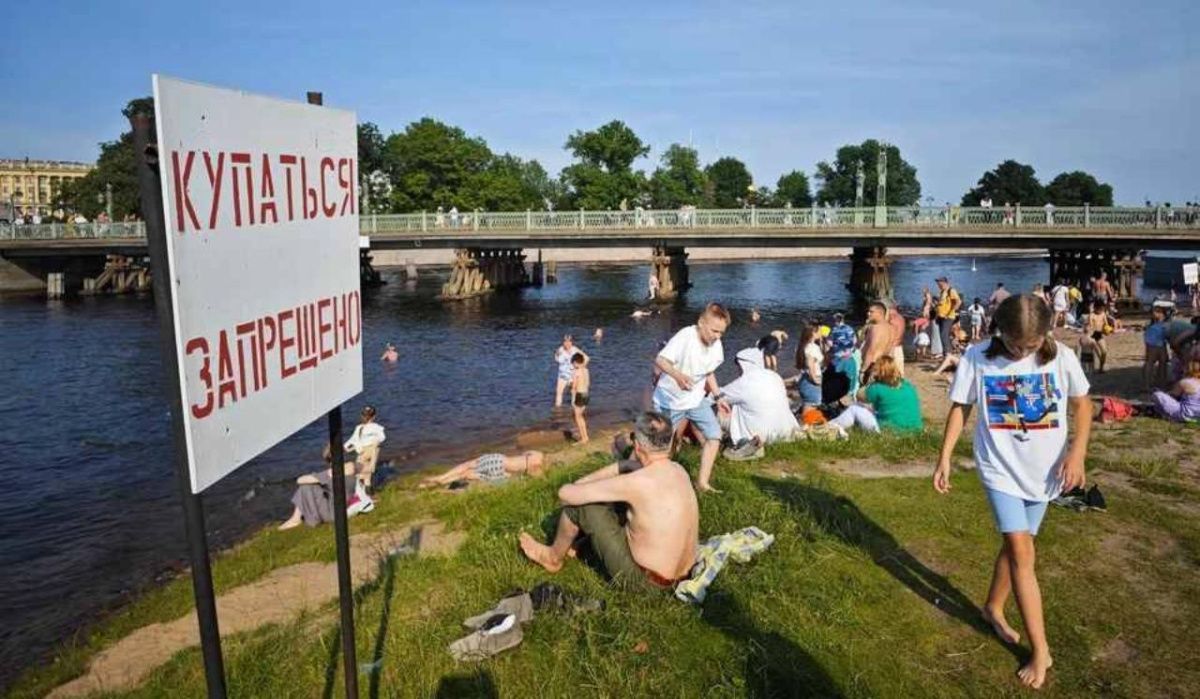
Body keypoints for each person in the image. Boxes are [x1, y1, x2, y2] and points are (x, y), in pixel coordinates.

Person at [934, 294, 1092, 690]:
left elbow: (1083, 405)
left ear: (1046, 333)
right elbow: (960, 407)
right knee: (1023, 553)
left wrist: (1078, 454)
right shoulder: (976, 357)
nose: (1023, 351)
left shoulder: (1062, 357)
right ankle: (1042, 649)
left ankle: (992, 607)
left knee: (1016, 548)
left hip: (1045, 474)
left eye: (1032, 345)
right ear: (998, 330)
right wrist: (945, 457)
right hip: (999, 470)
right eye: (1016, 344)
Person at [518, 412, 699, 591]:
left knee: (580, 507)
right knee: (622, 505)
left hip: (647, 581)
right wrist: (628, 466)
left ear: (637, 446)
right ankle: (579, 545)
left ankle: (552, 557)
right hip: (683, 575)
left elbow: (566, 494)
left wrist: (620, 466)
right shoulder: (679, 470)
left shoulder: (637, 482)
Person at [653, 303, 730, 492]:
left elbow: (709, 372)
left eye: (721, 332)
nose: (717, 337)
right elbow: (660, 360)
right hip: (670, 401)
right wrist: (677, 376)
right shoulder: (685, 337)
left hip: (695, 400)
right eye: (714, 331)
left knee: (714, 436)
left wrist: (719, 396)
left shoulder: (715, 344)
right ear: (701, 323)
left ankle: (702, 483)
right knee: (661, 447)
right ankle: (649, 479)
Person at [721, 346, 800, 445]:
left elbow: (717, 396)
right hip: (786, 433)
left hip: (760, 436)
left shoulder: (744, 382)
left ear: (743, 365)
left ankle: (710, 443)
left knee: (718, 409)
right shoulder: (775, 376)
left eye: (738, 366)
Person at [279, 447, 371, 530]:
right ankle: (297, 518)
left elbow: (299, 480)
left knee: (305, 487)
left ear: (328, 460)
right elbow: (368, 468)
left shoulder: (329, 473)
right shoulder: (351, 466)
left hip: (333, 514)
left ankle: (296, 519)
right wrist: (364, 480)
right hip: (346, 506)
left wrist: (317, 478)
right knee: (319, 488)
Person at [420, 451, 546, 488]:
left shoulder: (538, 454)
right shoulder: (538, 466)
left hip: (499, 461)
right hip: (503, 474)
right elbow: (531, 475)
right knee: (467, 474)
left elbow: (524, 452)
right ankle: (442, 481)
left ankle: (440, 478)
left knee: (467, 465)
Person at [344, 406, 385, 488]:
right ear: (374, 416)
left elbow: (353, 439)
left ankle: (362, 493)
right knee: (367, 474)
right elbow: (382, 437)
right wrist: (375, 442)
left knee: (359, 472)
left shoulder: (359, 428)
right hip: (373, 451)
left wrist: (345, 446)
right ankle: (368, 493)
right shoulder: (376, 426)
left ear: (362, 416)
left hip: (363, 452)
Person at [793, 322, 824, 409]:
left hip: (804, 379)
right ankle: (804, 422)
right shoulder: (813, 348)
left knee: (807, 405)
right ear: (813, 333)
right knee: (811, 407)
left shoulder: (802, 346)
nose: (821, 332)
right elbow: (810, 364)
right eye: (819, 331)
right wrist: (815, 380)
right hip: (811, 381)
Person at [858, 302, 891, 383]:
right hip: (883, 364)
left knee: (865, 393)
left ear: (880, 313)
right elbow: (890, 349)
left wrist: (863, 370)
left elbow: (871, 351)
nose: (868, 313)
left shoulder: (875, 329)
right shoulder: (890, 327)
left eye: (871, 312)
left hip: (872, 365)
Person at [827, 312, 858, 393]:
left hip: (838, 357)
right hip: (849, 357)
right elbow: (855, 341)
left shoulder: (834, 330)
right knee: (849, 379)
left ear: (836, 320)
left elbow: (829, 344)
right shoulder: (850, 328)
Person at [1077, 301, 1112, 373]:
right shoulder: (1092, 315)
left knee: (1104, 351)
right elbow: (1090, 326)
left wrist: (1107, 330)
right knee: (1095, 351)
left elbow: (1106, 324)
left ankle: (1101, 367)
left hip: (1099, 334)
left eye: (1102, 309)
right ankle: (1100, 367)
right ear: (1096, 308)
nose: (1101, 310)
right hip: (1092, 334)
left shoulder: (1103, 314)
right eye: (1100, 309)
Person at [934, 276, 962, 361]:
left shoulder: (951, 290)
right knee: (942, 335)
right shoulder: (942, 291)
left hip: (948, 317)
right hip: (941, 317)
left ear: (945, 282)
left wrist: (950, 312)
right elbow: (941, 305)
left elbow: (958, 302)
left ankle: (948, 355)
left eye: (939, 283)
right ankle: (945, 355)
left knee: (944, 335)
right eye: (938, 283)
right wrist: (937, 315)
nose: (938, 285)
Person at [553, 335, 585, 407]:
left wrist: (580, 369)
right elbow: (556, 359)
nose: (567, 343)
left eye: (569, 341)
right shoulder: (560, 350)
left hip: (573, 375)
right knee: (559, 393)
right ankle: (557, 410)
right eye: (565, 341)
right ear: (563, 342)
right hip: (562, 376)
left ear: (572, 342)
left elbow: (585, 358)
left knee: (573, 393)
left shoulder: (575, 349)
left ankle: (575, 408)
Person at [571, 353, 591, 444]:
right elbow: (588, 384)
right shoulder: (586, 370)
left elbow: (574, 387)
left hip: (579, 395)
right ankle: (585, 436)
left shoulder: (576, 372)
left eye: (573, 363)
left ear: (575, 362)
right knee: (581, 416)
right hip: (586, 394)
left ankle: (583, 438)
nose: (573, 365)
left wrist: (572, 398)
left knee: (577, 417)